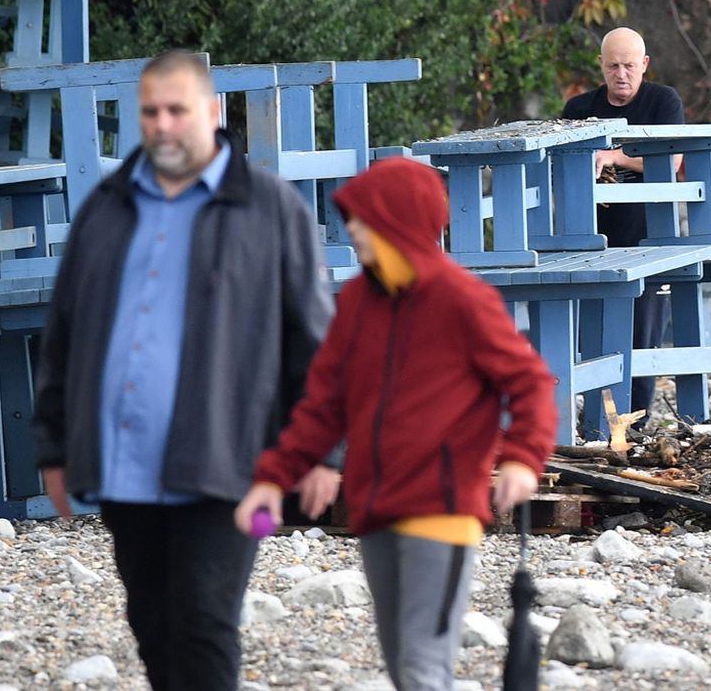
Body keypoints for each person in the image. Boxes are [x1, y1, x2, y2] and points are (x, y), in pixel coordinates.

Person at [33, 51, 337, 691]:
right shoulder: (106, 207)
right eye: (150, 112)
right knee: (152, 624)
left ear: (213, 112)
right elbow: (64, 334)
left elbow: (316, 341)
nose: (163, 125)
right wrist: (54, 448)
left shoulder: (270, 208)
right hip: (125, 465)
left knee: (203, 623)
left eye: (178, 110)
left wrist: (325, 453)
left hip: (229, 463)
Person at [235, 156, 558, 691]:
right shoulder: (357, 301)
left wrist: (524, 458)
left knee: (421, 669)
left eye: (365, 220)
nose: (353, 230)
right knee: (406, 670)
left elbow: (531, 384)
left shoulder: (464, 299)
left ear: (399, 223)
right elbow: (324, 404)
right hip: (374, 510)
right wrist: (274, 477)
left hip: (443, 510)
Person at [562, 27, 685, 413]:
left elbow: (673, 160)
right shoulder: (579, 109)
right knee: (589, 337)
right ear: (601, 65)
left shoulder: (662, 101)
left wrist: (615, 157)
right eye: (613, 66)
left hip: (649, 239)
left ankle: (636, 423)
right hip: (592, 241)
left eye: (629, 66)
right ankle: (595, 419)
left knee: (643, 337)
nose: (621, 74)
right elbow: (559, 167)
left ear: (644, 64)